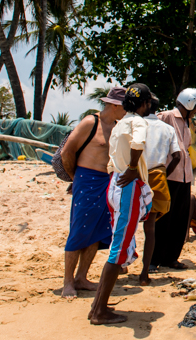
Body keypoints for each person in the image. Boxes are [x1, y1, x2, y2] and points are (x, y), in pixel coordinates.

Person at [89, 84, 155, 325]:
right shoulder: (137, 122)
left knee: (119, 242)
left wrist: (122, 171)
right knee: (119, 247)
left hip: (115, 184)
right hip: (127, 186)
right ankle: (100, 311)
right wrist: (132, 168)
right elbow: (138, 144)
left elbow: (112, 157)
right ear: (144, 103)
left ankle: (97, 305)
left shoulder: (119, 125)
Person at [60, 86, 126, 299]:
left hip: (106, 182)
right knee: (79, 230)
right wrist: (75, 177)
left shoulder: (118, 127)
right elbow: (67, 151)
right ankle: (67, 282)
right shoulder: (91, 122)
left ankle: (81, 277)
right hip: (86, 179)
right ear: (115, 105)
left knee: (97, 231)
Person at [151, 88, 196, 270]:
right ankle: (154, 259)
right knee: (163, 218)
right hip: (169, 175)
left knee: (180, 219)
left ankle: (171, 258)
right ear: (189, 103)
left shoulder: (187, 122)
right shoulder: (166, 116)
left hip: (184, 177)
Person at [138, 95, 182, 286]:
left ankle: (121, 264)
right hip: (157, 177)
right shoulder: (168, 128)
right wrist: (164, 173)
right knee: (151, 228)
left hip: (135, 175)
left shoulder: (135, 125)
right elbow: (178, 156)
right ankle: (145, 271)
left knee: (126, 226)